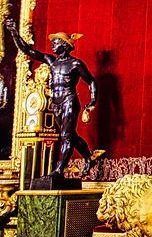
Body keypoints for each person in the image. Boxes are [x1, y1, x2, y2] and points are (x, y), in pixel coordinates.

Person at [3, 17, 103, 176]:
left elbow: (91, 81)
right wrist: (14, 33)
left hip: (69, 100)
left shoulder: (75, 64)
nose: (52, 45)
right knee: (70, 135)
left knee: (66, 136)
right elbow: (28, 51)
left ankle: (59, 170)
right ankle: (88, 158)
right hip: (55, 102)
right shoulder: (51, 61)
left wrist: (92, 101)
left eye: (55, 42)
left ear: (64, 45)